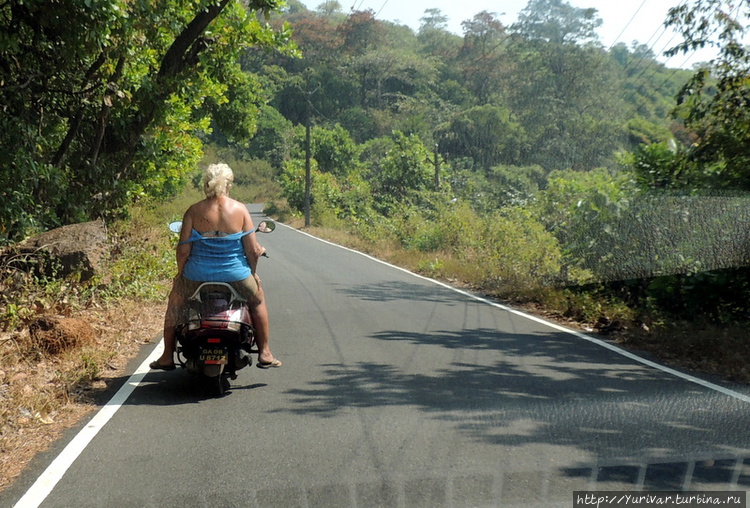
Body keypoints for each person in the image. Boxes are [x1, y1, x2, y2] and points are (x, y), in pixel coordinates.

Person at [150, 163, 281, 370]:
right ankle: (265, 352)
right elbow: (252, 251)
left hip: (196, 276)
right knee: (257, 300)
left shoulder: (193, 211)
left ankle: (167, 355)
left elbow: (183, 250)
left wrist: (180, 274)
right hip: (236, 276)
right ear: (228, 185)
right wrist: (252, 274)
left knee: (175, 304)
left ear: (206, 184)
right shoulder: (241, 210)